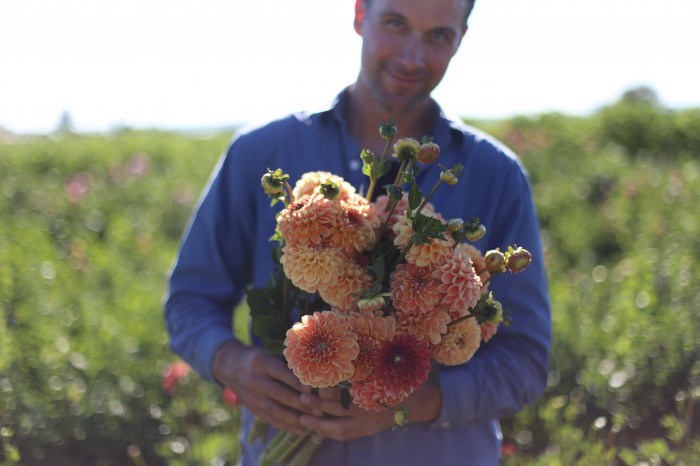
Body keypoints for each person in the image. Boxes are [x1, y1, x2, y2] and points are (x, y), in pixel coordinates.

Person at [164, 0, 552, 464]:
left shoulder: (495, 174)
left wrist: (409, 402)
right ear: (359, 15)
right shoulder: (261, 152)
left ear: (462, 37)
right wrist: (232, 363)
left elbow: (526, 360)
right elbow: (189, 299)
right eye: (396, 24)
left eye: (438, 36)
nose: (411, 57)